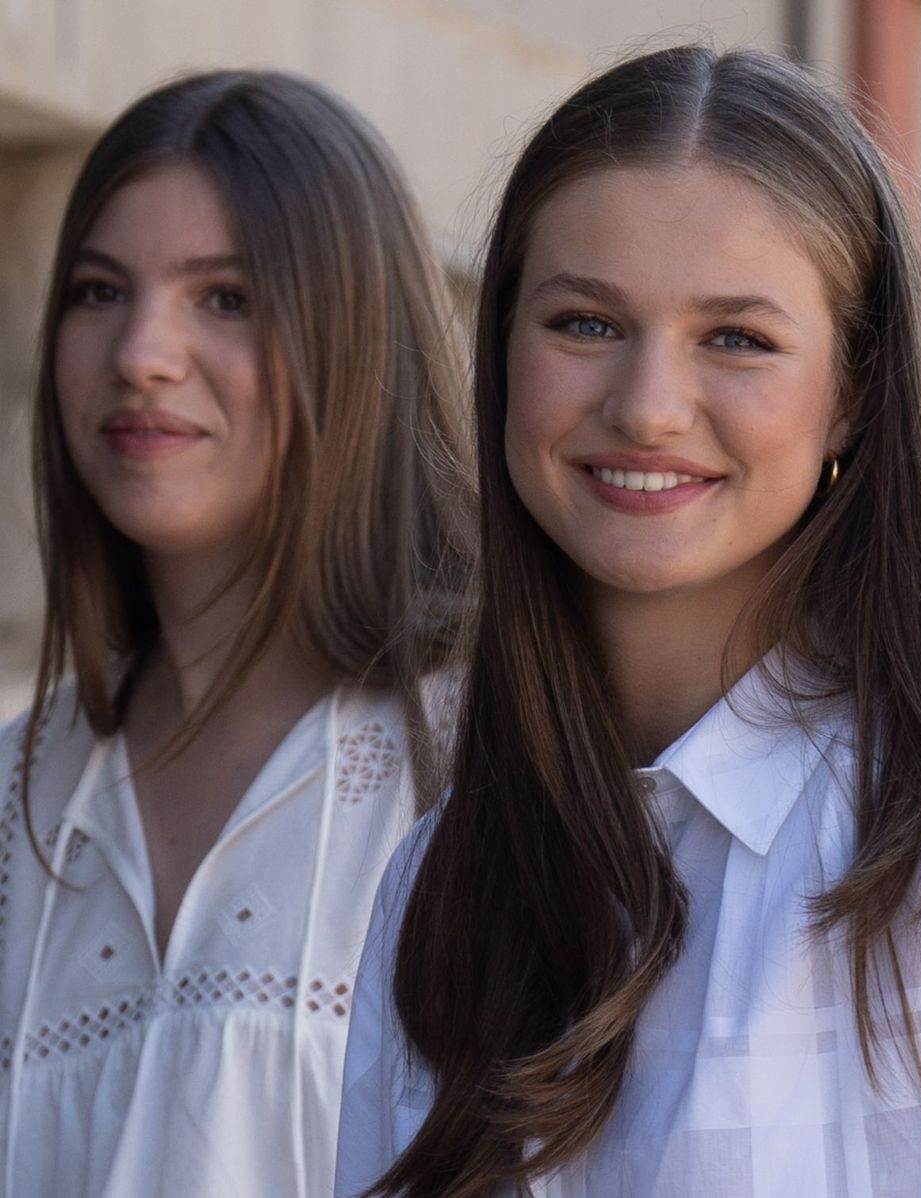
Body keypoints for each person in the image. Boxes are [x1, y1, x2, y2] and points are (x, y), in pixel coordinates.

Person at [334, 44, 921, 1198]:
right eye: (585, 323)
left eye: (737, 338)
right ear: (502, 352)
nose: (648, 406)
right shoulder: (440, 882)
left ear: (851, 392)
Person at [0, 70, 471, 1198]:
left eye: (227, 298)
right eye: (99, 292)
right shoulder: (18, 791)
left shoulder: (493, 756)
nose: (142, 354)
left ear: (357, 337)